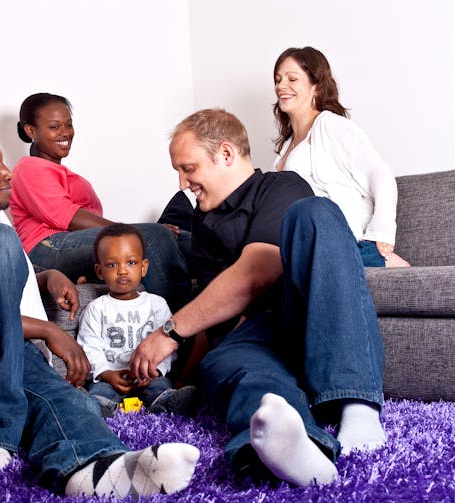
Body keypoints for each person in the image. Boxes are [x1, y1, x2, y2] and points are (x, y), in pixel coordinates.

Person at [0, 127, 198, 499]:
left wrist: (45, 276)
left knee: (64, 396)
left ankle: (93, 470)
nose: (8, 173)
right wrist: (50, 331)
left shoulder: (3, 231)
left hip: (16, 368)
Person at [130, 109, 386, 487]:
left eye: (189, 168)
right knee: (240, 373)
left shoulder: (282, 187)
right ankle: (299, 448)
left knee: (315, 212)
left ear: (227, 154)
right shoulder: (203, 218)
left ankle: (358, 409)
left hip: (300, 317)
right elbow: (210, 308)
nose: (183, 182)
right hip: (248, 339)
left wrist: (168, 333)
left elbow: (255, 274)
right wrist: (182, 380)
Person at [9, 92, 191, 310]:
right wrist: (134, 230)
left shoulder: (67, 175)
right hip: (45, 249)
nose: (65, 133)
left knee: (186, 239)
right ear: (31, 131)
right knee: (153, 236)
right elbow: (65, 215)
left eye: (68, 125)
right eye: (55, 127)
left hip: (70, 244)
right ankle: (181, 329)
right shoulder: (29, 167)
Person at [272, 46, 410, 268]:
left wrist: (382, 233)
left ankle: (376, 260)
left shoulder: (331, 126)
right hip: (298, 242)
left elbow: (379, 172)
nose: (281, 86)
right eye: (278, 80)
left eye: (292, 79)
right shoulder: (286, 146)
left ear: (316, 87)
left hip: (338, 241)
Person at [77, 223, 198, 417]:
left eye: (131, 263)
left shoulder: (156, 305)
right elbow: (88, 347)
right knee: (99, 394)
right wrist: (105, 374)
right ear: (100, 271)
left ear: (144, 267)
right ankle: (105, 409)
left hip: (148, 376)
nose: (122, 271)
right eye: (112, 264)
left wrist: (155, 370)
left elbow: (169, 346)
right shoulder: (96, 308)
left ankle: (167, 402)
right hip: (112, 376)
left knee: (160, 388)